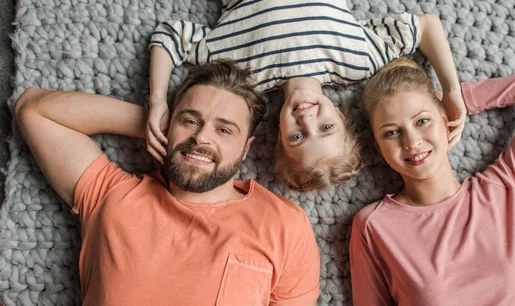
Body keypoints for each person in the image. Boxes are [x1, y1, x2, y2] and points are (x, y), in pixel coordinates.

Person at [146, 0, 466, 192]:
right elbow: (426, 26)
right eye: (326, 127)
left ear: (280, 137)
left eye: (297, 137)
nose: (307, 119)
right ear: (341, 116)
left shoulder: (243, 74)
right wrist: (452, 90)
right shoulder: (357, 60)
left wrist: (158, 100)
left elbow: (169, 38)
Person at [14, 60, 321, 305]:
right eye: (190, 121)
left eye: (224, 130)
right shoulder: (112, 195)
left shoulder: (284, 224)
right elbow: (34, 109)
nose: (201, 137)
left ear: (246, 149)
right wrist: (155, 123)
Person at [349, 59, 515, 305]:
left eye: (422, 121)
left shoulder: (502, 189)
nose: (412, 141)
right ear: (379, 147)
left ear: (444, 119)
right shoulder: (374, 226)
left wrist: (458, 102)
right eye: (391, 132)